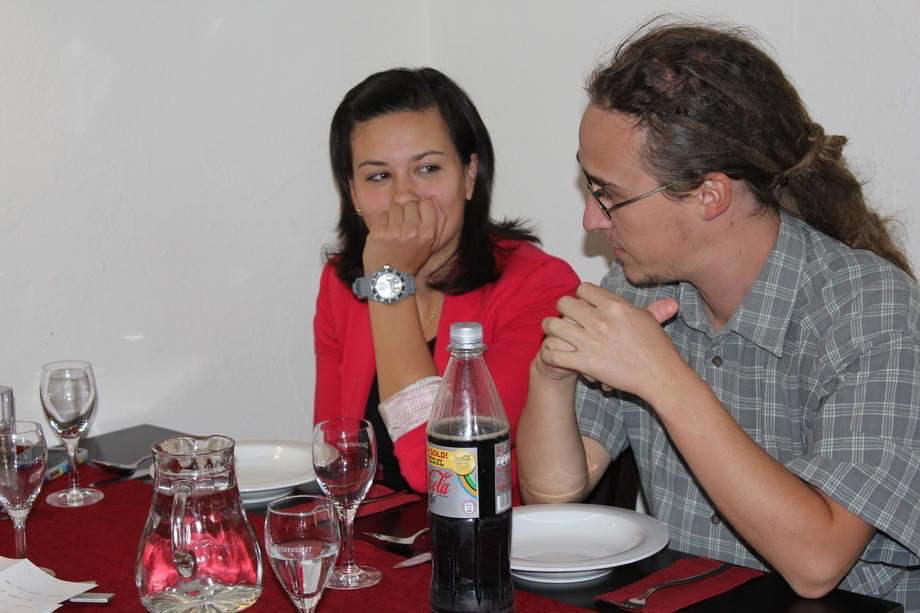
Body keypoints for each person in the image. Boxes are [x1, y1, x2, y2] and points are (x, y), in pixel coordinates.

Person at [516, 20, 920, 609]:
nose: (592, 220)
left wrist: (664, 379)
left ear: (710, 195)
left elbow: (817, 563)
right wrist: (549, 378)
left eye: (609, 195)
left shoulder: (870, 308)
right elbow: (553, 497)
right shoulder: (635, 288)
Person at [314, 67, 579, 500]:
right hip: (381, 534)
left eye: (427, 168)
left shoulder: (540, 287)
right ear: (354, 193)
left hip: (488, 535)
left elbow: (446, 472)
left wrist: (389, 284)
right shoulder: (342, 282)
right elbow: (336, 462)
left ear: (469, 174)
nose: (404, 196)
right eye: (379, 176)